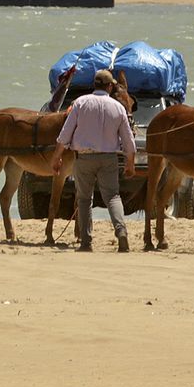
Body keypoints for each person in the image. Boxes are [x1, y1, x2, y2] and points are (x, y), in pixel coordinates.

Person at [50, 69, 137, 253]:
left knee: (83, 199)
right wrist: (130, 162)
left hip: (84, 158)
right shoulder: (118, 107)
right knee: (113, 196)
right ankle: (121, 232)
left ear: (94, 85)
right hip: (108, 158)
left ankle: (86, 242)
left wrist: (56, 156)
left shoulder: (80, 103)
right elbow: (128, 140)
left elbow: (65, 134)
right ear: (110, 86)